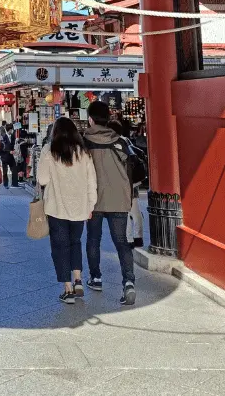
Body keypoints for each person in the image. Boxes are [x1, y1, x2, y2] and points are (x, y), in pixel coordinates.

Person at [37, 117, 97, 304]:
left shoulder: (49, 151)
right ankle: (78, 279)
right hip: (80, 207)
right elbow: (91, 182)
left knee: (59, 247)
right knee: (75, 242)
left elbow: (42, 179)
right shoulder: (83, 153)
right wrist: (91, 205)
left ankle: (68, 289)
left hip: (57, 207)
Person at [84, 100, 136, 306]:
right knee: (122, 243)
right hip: (118, 196)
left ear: (90, 119)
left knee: (93, 240)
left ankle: (95, 277)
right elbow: (129, 169)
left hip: (94, 198)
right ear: (109, 118)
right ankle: (129, 282)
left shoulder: (84, 141)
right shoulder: (120, 141)